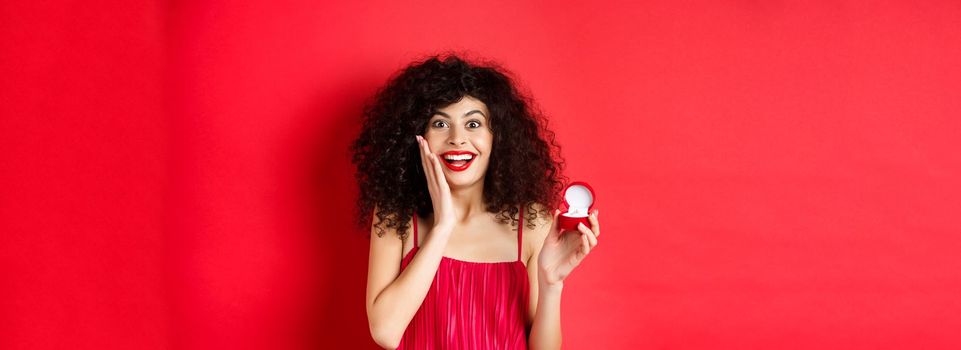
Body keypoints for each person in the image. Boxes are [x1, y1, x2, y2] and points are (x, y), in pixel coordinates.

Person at [351, 53, 601, 349]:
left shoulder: (532, 222)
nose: (457, 139)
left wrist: (551, 284)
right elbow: (386, 333)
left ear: (498, 137)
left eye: (473, 124)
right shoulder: (397, 216)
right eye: (440, 124)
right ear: (418, 137)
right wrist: (443, 226)